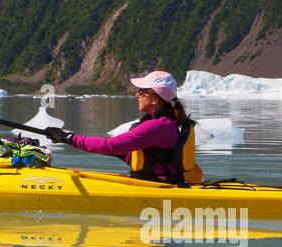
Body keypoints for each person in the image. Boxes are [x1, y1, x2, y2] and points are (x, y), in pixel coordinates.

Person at [44, 70, 202, 184]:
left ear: (155, 99)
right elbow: (127, 152)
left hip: (158, 185)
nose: (137, 95)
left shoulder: (159, 126)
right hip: (155, 181)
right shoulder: (164, 123)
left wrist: (69, 138)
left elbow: (111, 145)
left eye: (141, 91)